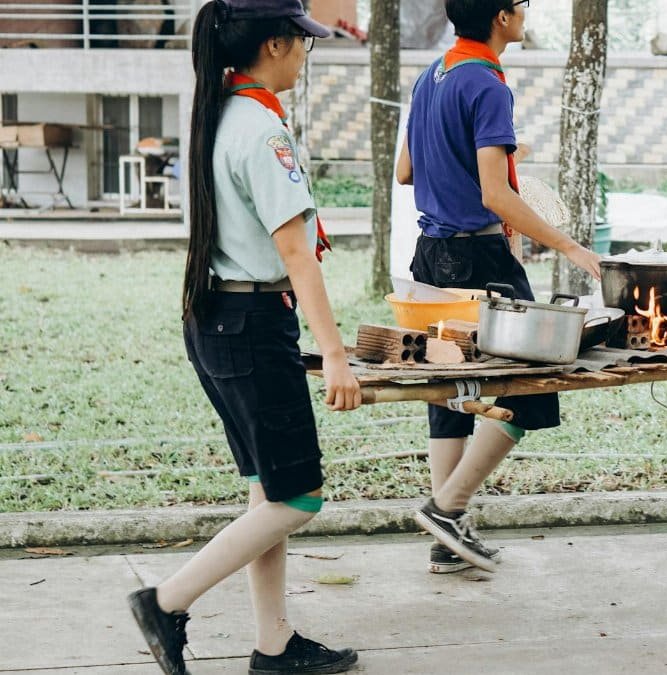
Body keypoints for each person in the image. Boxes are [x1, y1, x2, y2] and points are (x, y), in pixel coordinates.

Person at [126, 2, 361, 673]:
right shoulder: (261, 129)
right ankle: (165, 601)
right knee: (301, 495)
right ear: (275, 45)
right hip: (253, 324)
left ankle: (274, 644)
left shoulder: (218, 111)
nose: (306, 55)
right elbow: (296, 253)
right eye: (303, 44)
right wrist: (337, 355)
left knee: (268, 489)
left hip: (214, 320)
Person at [395, 0, 601, 575]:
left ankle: (446, 537)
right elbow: (494, 195)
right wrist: (568, 246)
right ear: (503, 17)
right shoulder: (487, 85)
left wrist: (492, 158)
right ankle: (447, 507)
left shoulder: (429, 77)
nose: (525, 13)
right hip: (479, 256)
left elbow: (407, 171)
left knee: (450, 390)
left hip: (430, 255)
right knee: (534, 386)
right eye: (522, 5)